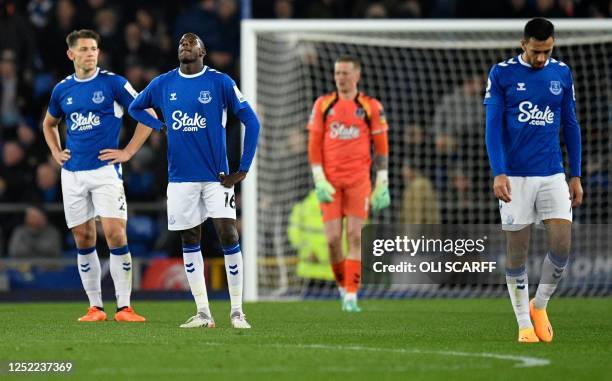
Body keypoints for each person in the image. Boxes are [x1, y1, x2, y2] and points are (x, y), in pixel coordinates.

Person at [102, 32, 260, 329]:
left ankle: (237, 311)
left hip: (218, 178)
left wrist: (244, 168)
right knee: (189, 239)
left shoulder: (220, 82)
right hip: (180, 179)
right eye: (181, 43)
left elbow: (252, 120)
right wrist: (157, 125)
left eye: (191, 42)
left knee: (229, 235)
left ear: (203, 51)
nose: (185, 45)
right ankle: (203, 312)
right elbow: (136, 107)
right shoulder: (163, 83)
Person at [484, 18, 583, 343]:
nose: (542, 58)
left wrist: (576, 174)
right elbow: (493, 128)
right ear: (523, 43)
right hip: (515, 176)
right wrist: (498, 170)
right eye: (537, 51)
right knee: (517, 252)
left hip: (553, 173)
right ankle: (524, 323)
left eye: (547, 51)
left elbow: (570, 124)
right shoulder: (501, 74)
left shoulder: (562, 73)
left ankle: (539, 306)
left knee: (562, 245)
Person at [42, 29, 148, 323]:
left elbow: (147, 113)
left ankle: (124, 307)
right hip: (73, 174)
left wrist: (127, 152)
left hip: (105, 172)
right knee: (83, 237)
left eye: (94, 49)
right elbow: (49, 123)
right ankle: (95, 307)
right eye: (85, 49)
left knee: (115, 234)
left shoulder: (113, 83)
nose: (90, 53)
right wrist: (55, 151)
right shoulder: (62, 90)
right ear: (71, 54)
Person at [307, 56, 390, 312]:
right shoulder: (323, 104)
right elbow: (314, 143)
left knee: (355, 235)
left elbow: (381, 145)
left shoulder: (370, 106)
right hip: (329, 183)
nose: (340, 77)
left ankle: (351, 296)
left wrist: (382, 179)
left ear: (357, 75)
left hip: (358, 182)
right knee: (332, 239)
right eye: (337, 73)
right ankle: (343, 286)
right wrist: (319, 177)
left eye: (345, 73)